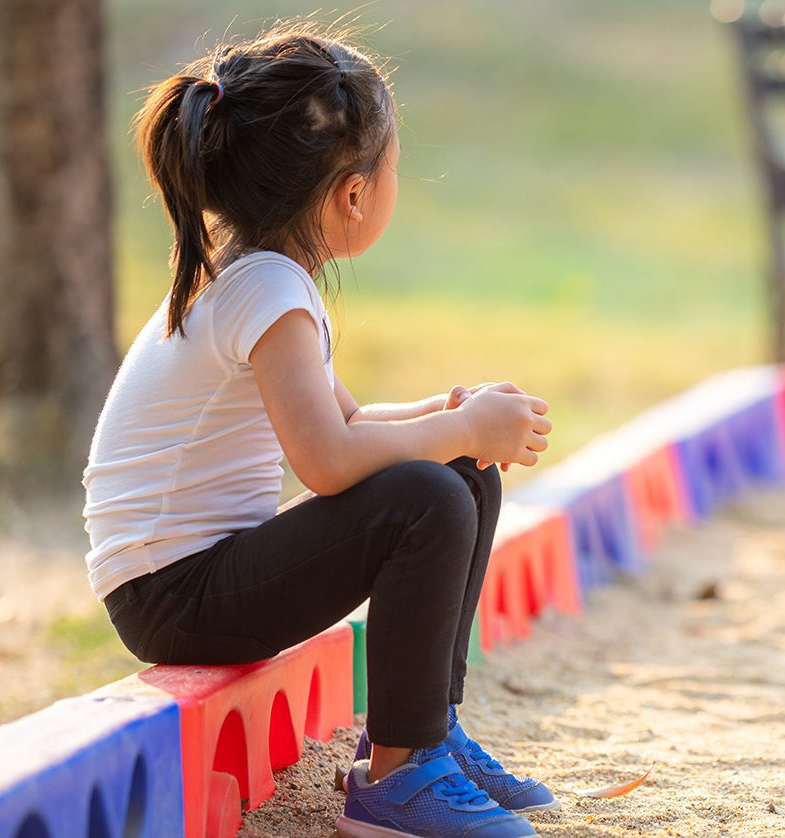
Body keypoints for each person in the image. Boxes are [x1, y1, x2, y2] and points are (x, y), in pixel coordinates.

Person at [85, 24, 554, 837]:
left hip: (185, 581)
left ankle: (426, 738)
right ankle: (397, 785)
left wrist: (455, 419)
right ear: (354, 194)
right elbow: (329, 463)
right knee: (426, 497)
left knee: (461, 470)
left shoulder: (253, 273)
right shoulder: (267, 288)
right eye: (395, 168)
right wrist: (455, 427)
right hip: (173, 596)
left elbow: (343, 421)